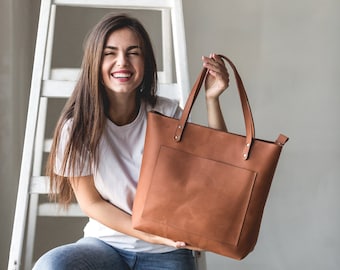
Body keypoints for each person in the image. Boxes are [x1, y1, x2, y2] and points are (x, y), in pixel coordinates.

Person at [33, 13, 229, 270]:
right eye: (109, 53)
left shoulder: (166, 113)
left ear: (146, 62)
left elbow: (219, 167)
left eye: (133, 53)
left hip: (166, 251)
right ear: (94, 61)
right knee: (52, 265)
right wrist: (147, 234)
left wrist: (212, 99)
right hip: (104, 246)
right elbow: (92, 203)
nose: (122, 62)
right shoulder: (76, 127)